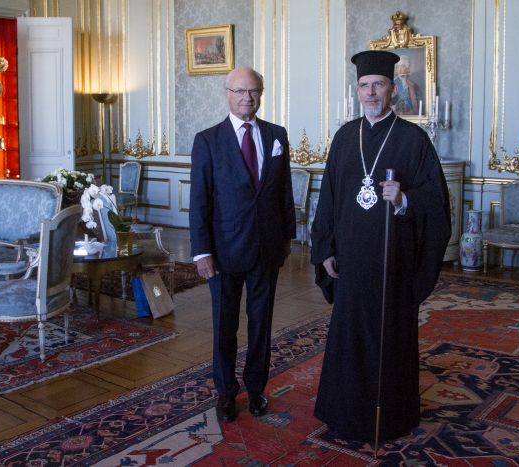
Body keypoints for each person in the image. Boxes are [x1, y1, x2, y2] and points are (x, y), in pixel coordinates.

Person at [310, 50, 451, 443]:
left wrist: (404, 200)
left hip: (393, 262)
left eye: (378, 85)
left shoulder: (413, 139)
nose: (371, 92)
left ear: (392, 90)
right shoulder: (344, 137)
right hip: (351, 260)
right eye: (364, 85)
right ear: (357, 90)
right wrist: (325, 248)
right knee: (350, 336)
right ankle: (343, 412)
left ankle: (391, 416)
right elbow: (328, 199)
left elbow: (437, 204)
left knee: (389, 337)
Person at [189, 65, 296, 422]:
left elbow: (284, 192)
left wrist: (287, 238)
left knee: (261, 324)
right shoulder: (208, 140)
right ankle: (225, 392)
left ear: (261, 94)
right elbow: (199, 200)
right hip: (223, 251)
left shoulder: (277, 135)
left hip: (267, 248)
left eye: (253, 91)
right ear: (227, 94)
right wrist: (202, 252)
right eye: (239, 91)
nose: (247, 98)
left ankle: (256, 388)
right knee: (225, 326)